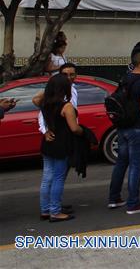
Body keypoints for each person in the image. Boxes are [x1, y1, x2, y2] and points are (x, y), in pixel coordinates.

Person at [108, 50, 140, 215]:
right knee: (136, 165)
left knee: (121, 162)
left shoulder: (125, 78)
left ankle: (114, 198)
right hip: (137, 127)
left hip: (123, 126)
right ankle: (133, 203)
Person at [39, 73, 83, 222]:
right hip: (62, 144)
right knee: (58, 177)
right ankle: (55, 211)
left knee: (47, 178)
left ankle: (45, 209)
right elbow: (74, 128)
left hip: (48, 143)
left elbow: (35, 99)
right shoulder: (66, 106)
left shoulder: (45, 103)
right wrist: (83, 131)